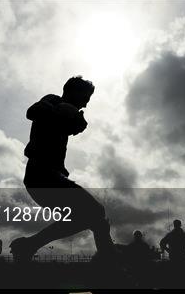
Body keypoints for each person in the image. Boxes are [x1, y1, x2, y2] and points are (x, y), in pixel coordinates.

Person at [10, 76, 116, 262]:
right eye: (85, 98)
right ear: (72, 91)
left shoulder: (73, 113)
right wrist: (60, 112)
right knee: (96, 213)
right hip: (41, 175)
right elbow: (32, 111)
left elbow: (75, 127)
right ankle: (109, 264)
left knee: (92, 218)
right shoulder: (52, 100)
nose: (86, 103)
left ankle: (29, 245)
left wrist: (72, 118)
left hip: (49, 176)